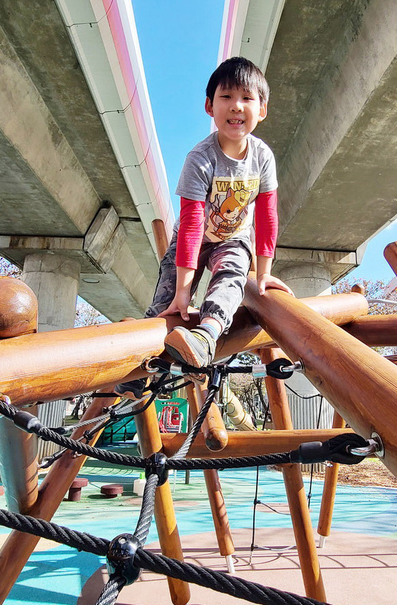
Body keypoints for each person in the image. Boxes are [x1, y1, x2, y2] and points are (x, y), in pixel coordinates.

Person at [117, 56, 292, 396]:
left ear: (263, 109)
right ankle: (141, 368)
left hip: (233, 238)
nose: (236, 106)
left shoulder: (262, 157)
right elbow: (193, 225)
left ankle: (206, 337)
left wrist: (266, 271)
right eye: (226, 97)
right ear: (209, 107)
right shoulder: (201, 158)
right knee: (166, 304)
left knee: (231, 278)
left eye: (246, 98)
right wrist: (184, 290)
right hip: (191, 240)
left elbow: (267, 215)